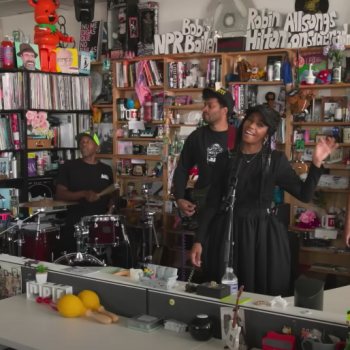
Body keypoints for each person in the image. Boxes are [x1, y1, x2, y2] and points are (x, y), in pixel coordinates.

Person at [190, 105, 338, 296]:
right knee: (224, 291)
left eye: (260, 124)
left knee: (261, 291)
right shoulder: (225, 158)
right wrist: (199, 240)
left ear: (268, 133)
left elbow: (304, 195)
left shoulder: (276, 160)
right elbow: (212, 203)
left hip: (263, 235)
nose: (251, 126)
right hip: (227, 231)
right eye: (250, 119)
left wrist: (316, 162)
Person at [173, 87, 235, 217]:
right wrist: (179, 197)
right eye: (205, 105)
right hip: (204, 205)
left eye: (210, 106)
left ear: (224, 110)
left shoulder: (237, 136)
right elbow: (182, 168)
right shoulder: (197, 136)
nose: (205, 109)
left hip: (233, 208)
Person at [56, 131, 114, 253]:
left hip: (99, 224)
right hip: (75, 223)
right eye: (81, 142)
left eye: (88, 142)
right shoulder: (69, 166)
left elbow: (111, 193)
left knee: (100, 260)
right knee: (75, 262)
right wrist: (83, 194)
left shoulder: (106, 169)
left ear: (97, 147)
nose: (83, 144)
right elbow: (60, 194)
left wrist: (111, 205)